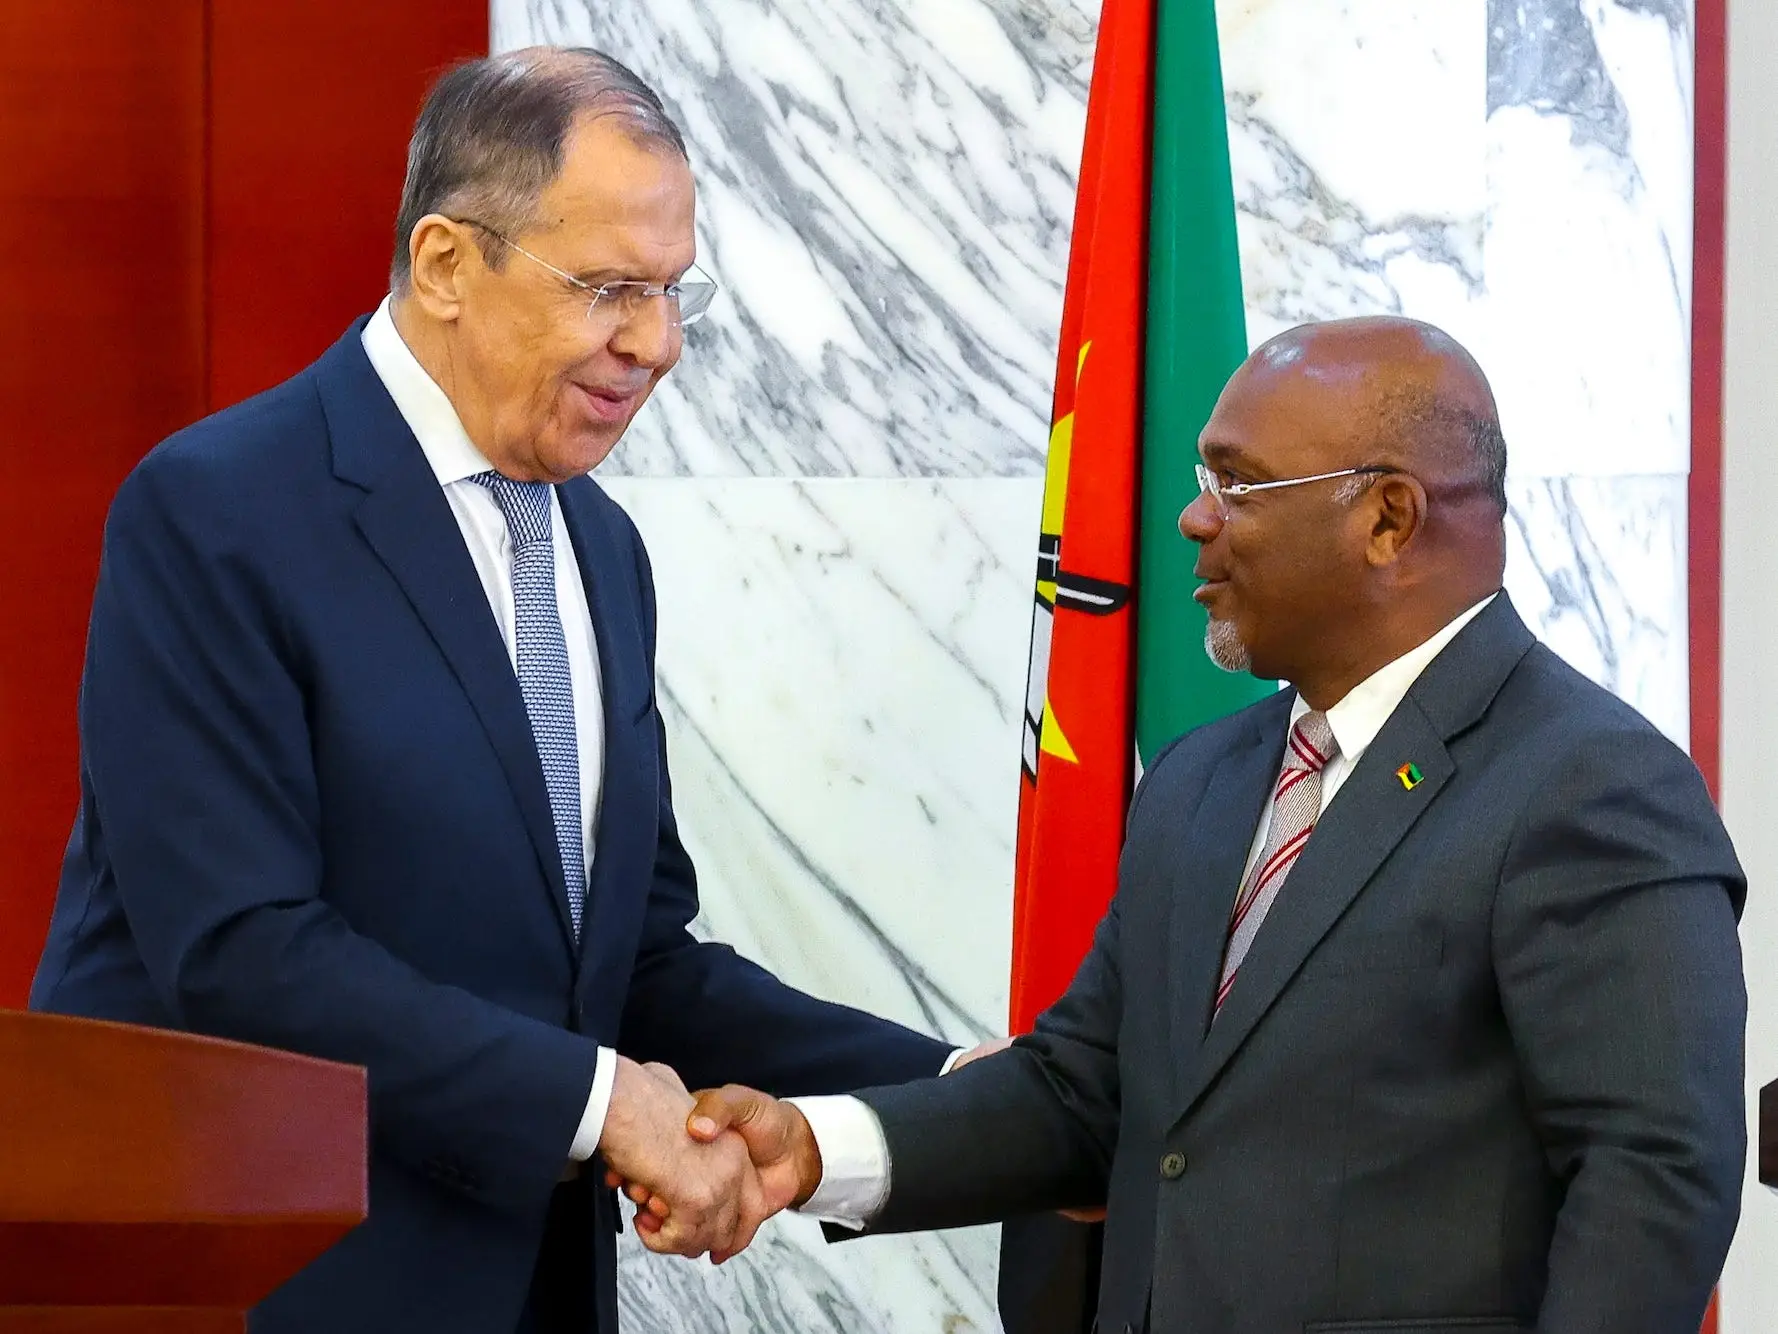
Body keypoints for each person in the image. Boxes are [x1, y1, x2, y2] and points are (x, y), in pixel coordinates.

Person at [28, 46, 979, 1334]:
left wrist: (962, 1091)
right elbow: (240, 950)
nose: (656, 343)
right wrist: (602, 1103)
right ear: (443, 265)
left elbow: (636, 963)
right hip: (259, 1283)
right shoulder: (216, 512)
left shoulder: (600, 549)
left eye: (672, 291)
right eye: (607, 288)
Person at [624, 317, 1750, 1334]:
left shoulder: (1589, 783)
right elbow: (1083, 1092)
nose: (1193, 517)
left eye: (1238, 484)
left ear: (1387, 518)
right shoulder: (1200, 778)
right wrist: (813, 1149)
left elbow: (1653, 1175)